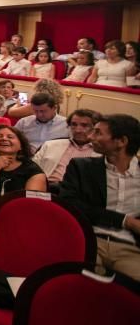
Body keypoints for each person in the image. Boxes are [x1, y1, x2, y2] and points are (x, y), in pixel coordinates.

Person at [60, 115, 140, 280]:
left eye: (97, 133)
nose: (90, 137)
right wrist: (126, 221)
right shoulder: (81, 167)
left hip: (130, 247)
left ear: (121, 141)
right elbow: (70, 204)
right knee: (76, 282)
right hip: (89, 239)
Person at [33, 108, 101, 187]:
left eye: (84, 125)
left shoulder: (101, 153)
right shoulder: (50, 145)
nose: (78, 130)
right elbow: (32, 169)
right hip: (46, 187)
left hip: (78, 193)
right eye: (74, 125)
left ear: (95, 129)